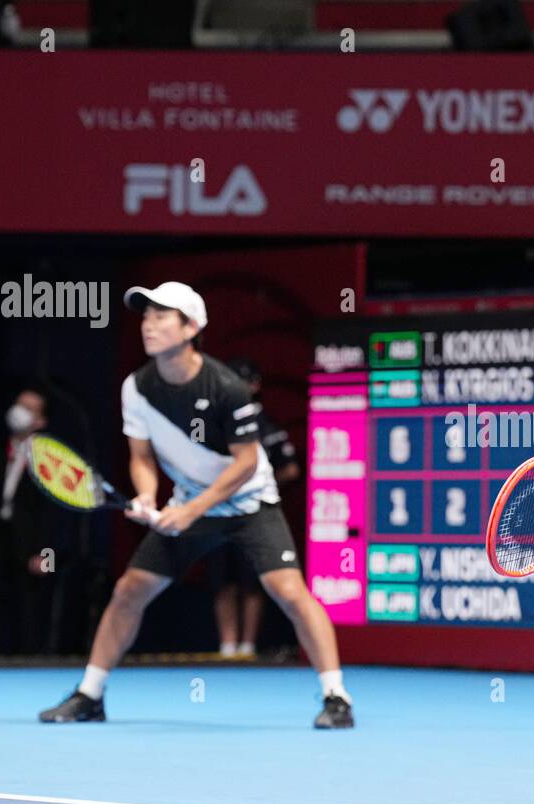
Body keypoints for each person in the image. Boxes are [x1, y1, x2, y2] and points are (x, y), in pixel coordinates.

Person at [38, 282, 353, 728]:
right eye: (145, 316)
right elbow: (142, 457)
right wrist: (147, 495)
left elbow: (245, 464)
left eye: (161, 316)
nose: (148, 325)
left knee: (289, 592)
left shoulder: (227, 388)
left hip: (249, 503)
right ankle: (90, 694)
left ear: (191, 327)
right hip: (189, 504)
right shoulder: (137, 388)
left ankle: (337, 698)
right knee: (129, 590)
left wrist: (190, 510)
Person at [208, 356, 302, 658]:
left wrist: (256, 482)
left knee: (254, 583)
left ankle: (247, 647)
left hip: (256, 516)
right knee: (223, 583)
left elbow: (291, 469)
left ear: (255, 385)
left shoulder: (266, 425)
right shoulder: (216, 424)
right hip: (218, 514)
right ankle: (227, 646)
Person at [0, 387, 56, 655]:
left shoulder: (49, 459)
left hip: (29, 543)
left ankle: (29, 666)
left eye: (29, 409)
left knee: (28, 608)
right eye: (19, 404)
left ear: (40, 421)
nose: (20, 412)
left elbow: (53, 512)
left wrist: (45, 554)